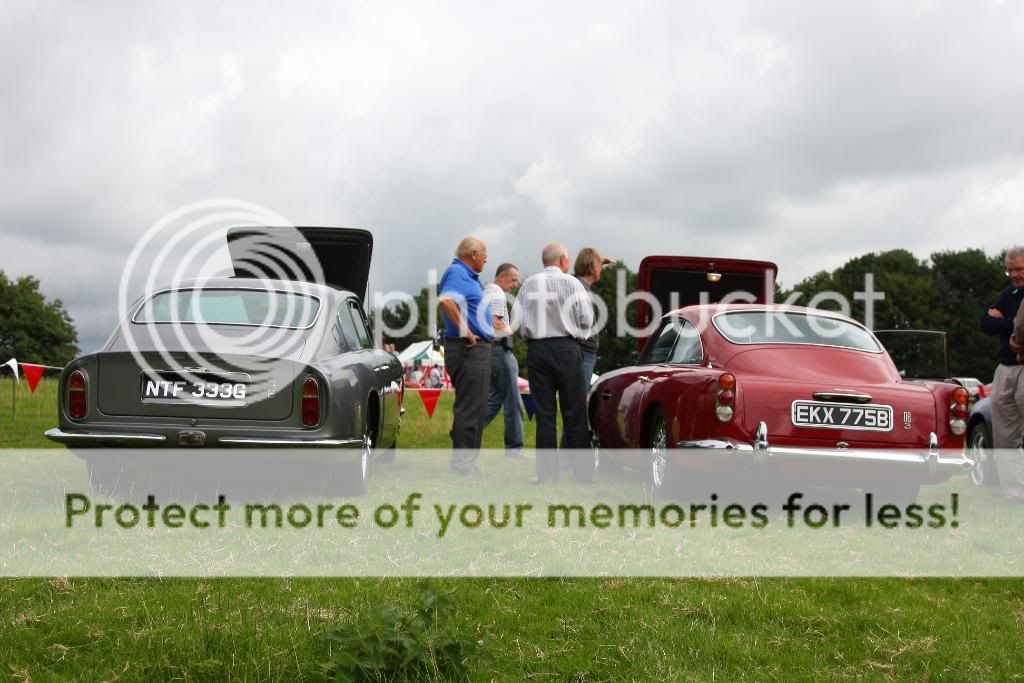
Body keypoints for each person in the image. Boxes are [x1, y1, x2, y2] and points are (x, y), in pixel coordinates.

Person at [511, 243, 595, 483]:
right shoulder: (572, 283)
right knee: (575, 413)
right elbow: (587, 318)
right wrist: (579, 334)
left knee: (545, 415)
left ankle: (546, 475)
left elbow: (515, 321)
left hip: (538, 350)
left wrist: (531, 336)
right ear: (563, 260)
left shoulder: (528, 284)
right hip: (568, 348)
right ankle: (583, 475)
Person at [438, 237, 493, 475]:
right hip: (469, 349)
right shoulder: (457, 272)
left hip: (472, 349)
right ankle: (462, 463)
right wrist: (468, 334)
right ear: (473, 254)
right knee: (471, 407)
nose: (486, 258)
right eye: (484, 254)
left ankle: (465, 461)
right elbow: (446, 301)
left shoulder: (466, 276)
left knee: (475, 406)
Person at [559, 247, 615, 451]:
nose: (601, 270)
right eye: (599, 266)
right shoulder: (579, 288)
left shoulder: (578, 285)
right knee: (577, 406)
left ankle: (565, 455)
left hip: (583, 352)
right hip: (583, 352)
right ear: (592, 267)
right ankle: (567, 456)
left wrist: (599, 259)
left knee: (576, 405)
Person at [981, 245, 1024, 501]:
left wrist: (1004, 321)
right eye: (1010, 271)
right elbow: (985, 322)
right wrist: (1011, 323)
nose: (1015, 275)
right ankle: (1015, 492)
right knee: (1004, 434)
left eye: (1019, 269)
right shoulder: (1009, 293)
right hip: (1005, 368)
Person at [482, 263, 526, 457]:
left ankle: (466, 430)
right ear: (501, 276)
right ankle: (515, 448)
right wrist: (511, 331)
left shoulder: (486, 292)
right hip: (500, 350)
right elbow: (493, 320)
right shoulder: (498, 295)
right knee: (513, 402)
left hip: (490, 351)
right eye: (513, 279)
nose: (515, 284)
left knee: (494, 400)